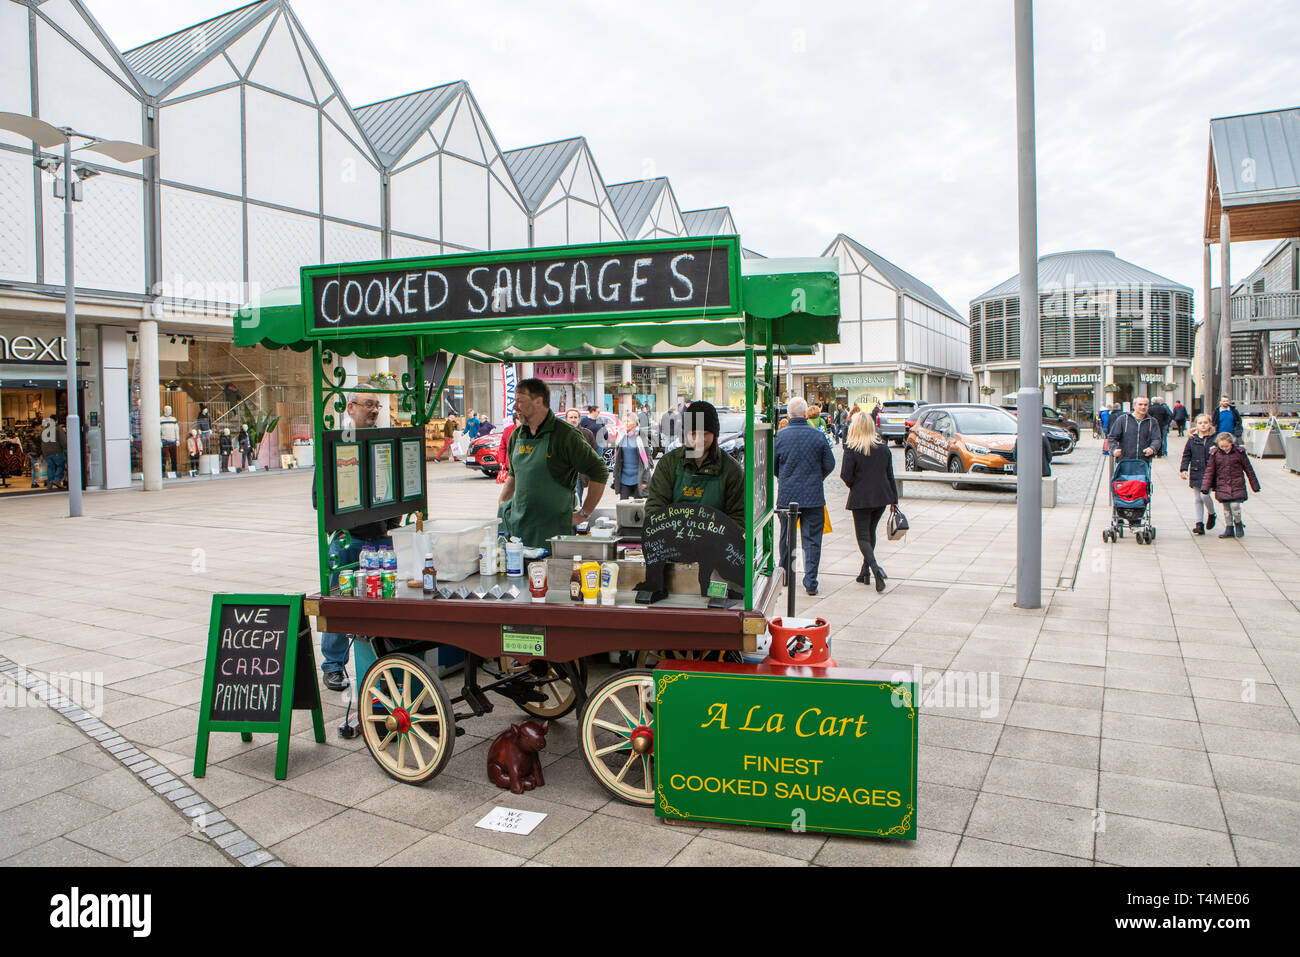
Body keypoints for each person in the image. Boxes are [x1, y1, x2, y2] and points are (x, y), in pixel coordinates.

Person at [315, 392, 395, 691]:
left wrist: (390, 522)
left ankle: (383, 660)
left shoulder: (384, 442)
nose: (374, 410)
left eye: (377, 405)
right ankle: (333, 665)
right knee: (339, 601)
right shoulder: (337, 443)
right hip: (348, 540)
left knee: (385, 601)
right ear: (350, 408)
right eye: (368, 405)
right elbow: (318, 498)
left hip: (381, 539)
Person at [499, 378, 608, 548]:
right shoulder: (517, 435)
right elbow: (513, 475)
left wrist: (583, 514)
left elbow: (599, 471)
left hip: (554, 534)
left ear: (538, 401)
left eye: (520, 401)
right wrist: (503, 505)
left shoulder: (566, 435)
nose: (515, 407)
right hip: (519, 533)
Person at [646, 400, 745, 527]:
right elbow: (655, 507)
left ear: (715, 434)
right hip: (674, 542)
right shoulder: (668, 464)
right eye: (693, 433)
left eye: (705, 434)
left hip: (716, 544)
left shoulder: (731, 469)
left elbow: (739, 516)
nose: (699, 439)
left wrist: (717, 538)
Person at [774, 397, 836, 596]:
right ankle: (810, 581)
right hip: (813, 497)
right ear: (804, 414)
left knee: (786, 537)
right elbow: (830, 463)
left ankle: (785, 575)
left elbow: (773, 465)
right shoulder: (817, 436)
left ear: (789, 415)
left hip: (787, 496)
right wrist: (817, 478)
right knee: (812, 540)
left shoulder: (780, 437)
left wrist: (783, 477)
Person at [840, 411, 897, 592]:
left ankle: (875, 569)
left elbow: (845, 475)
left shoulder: (852, 448)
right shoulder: (883, 448)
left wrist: (854, 486)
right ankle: (864, 571)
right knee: (871, 533)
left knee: (863, 536)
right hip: (881, 497)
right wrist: (894, 499)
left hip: (861, 497)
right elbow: (890, 475)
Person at [1202, 431, 1260, 539]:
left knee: (1235, 505)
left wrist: (1255, 485)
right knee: (1226, 508)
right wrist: (1205, 487)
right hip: (1222, 484)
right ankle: (1229, 527)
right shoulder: (1215, 454)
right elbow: (1209, 471)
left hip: (1237, 484)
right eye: (1222, 446)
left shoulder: (1239, 453)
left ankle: (1238, 523)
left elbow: (1249, 469)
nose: (1224, 448)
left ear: (1232, 443)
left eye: (1226, 446)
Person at [1180, 413, 1219, 535]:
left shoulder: (1214, 438)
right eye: (1200, 423)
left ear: (1210, 424)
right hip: (1196, 470)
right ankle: (1199, 523)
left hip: (1209, 471)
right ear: (1196, 425)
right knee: (1197, 498)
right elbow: (1186, 455)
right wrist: (1183, 469)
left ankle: (1212, 513)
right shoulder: (1192, 439)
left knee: (1204, 495)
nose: (1203, 425)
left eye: (1205, 423)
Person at [1107, 396, 1161, 460]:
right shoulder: (1123, 419)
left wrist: (1152, 448)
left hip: (1143, 461)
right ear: (1134, 406)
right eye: (1140, 404)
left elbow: (1156, 439)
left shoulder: (1152, 421)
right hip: (1125, 460)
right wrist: (1114, 449)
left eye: (1145, 405)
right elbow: (1112, 437)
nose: (1143, 407)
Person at [613, 414, 651, 499]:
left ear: (635, 423)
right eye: (624, 421)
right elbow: (617, 460)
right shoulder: (621, 436)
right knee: (623, 506)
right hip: (624, 478)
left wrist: (645, 480)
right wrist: (615, 475)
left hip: (638, 478)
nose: (625, 423)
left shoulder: (641, 436)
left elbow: (646, 460)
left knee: (637, 508)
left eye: (628, 421)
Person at [40, 415, 66, 489]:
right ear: (56, 420)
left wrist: (42, 452)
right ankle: (57, 480)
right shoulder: (58, 429)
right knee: (61, 465)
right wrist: (66, 448)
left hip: (46, 452)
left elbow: (41, 442)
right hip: (57, 451)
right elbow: (63, 441)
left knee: (50, 467)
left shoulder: (44, 430)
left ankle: (50, 483)